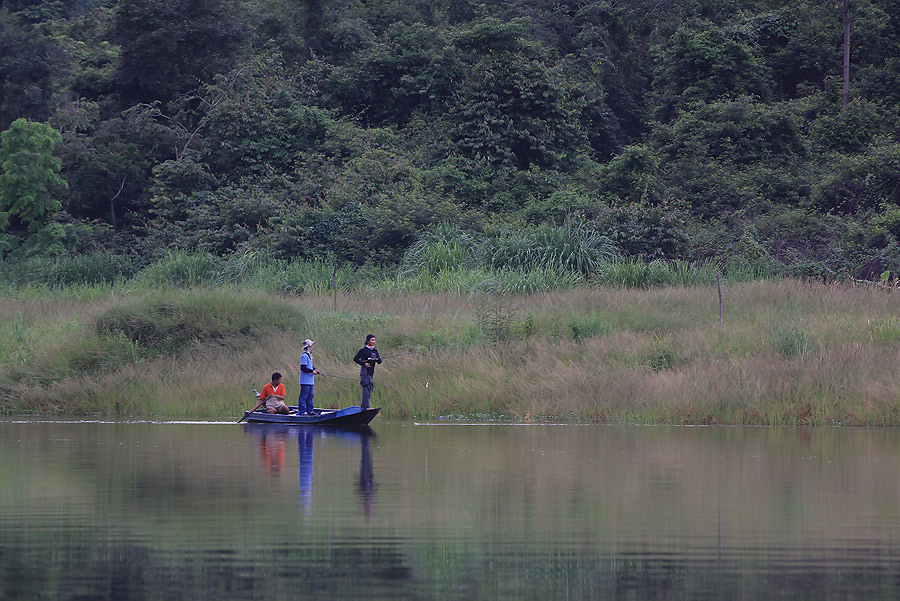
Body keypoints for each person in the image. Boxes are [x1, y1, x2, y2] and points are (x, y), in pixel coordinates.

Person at [352, 334, 381, 410]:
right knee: (366, 387)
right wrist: (364, 364)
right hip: (365, 372)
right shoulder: (363, 350)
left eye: (374, 340)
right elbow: (355, 359)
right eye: (372, 340)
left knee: (369, 388)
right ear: (368, 341)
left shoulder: (375, 351)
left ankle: (365, 406)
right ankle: (365, 407)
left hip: (371, 372)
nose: (373, 341)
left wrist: (377, 359)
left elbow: (380, 361)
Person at [297, 339, 320, 416]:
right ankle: (302, 412)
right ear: (308, 347)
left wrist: (315, 369)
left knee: (310, 396)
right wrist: (311, 371)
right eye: (311, 345)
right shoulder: (304, 356)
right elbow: (303, 367)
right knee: (304, 396)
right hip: (305, 381)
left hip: (310, 380)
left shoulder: (309, 356)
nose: (313, 347)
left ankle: (310, 411)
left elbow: (310, 366)